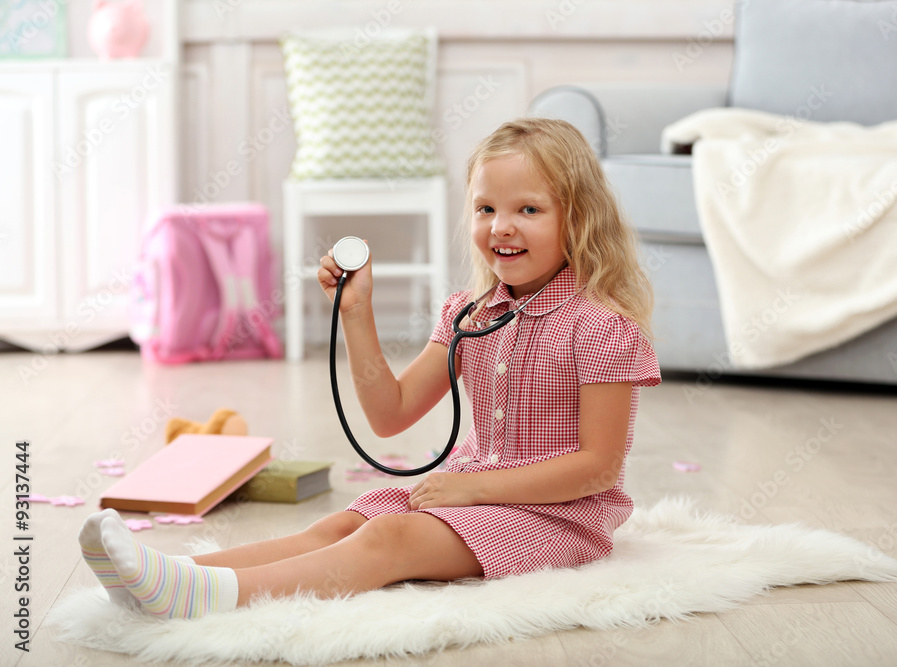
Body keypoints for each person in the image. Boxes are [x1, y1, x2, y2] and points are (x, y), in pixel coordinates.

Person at [77, 117, 661, 619]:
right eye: (486, 208)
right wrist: (357, 314)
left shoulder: (602, 326)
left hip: (560, 519)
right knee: (333, 529)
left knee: (389, 537)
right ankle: (170, 576)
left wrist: (471, 486)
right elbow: (391, 414)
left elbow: (597, 469)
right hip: (471, 494)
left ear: (578, 217)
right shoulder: (471, 314)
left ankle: (208, 598)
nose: (500, 227)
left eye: (527, 209)